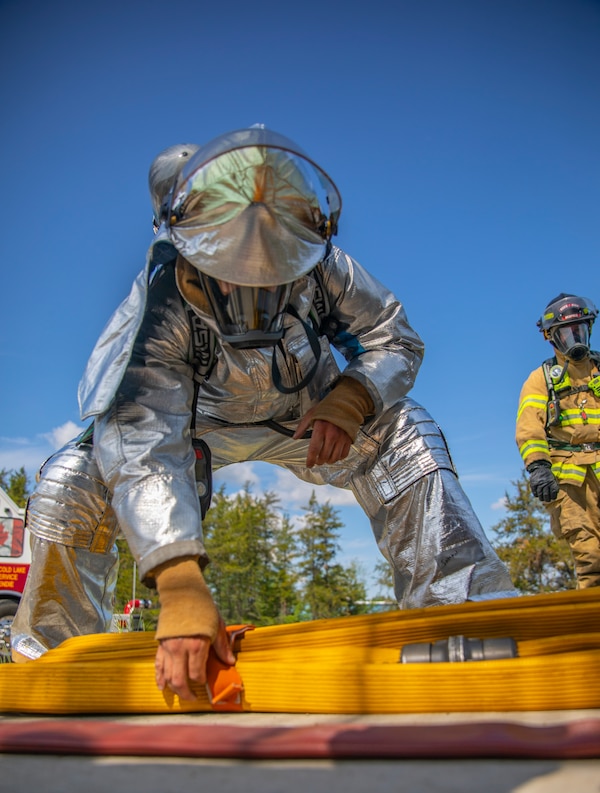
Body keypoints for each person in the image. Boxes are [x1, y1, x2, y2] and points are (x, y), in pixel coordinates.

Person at [11, 126, 515, 699]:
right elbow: (142, 439)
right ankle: (55, 664)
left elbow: (392, 337)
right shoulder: (161, 303)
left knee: (407, 436)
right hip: (195, 434)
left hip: (312, 420)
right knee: (71, 481)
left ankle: (460, 620)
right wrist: (179, 586)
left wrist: (350, 401)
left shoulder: (325, 266)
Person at [516, 293, 600, 589]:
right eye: (567, 332)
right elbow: (529, 428)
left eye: (579, 328)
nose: (575, 337)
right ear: (550, 337)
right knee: (590, 556)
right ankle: (593, 626)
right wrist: (538, 467)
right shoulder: (541, 380)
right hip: (569, 479)